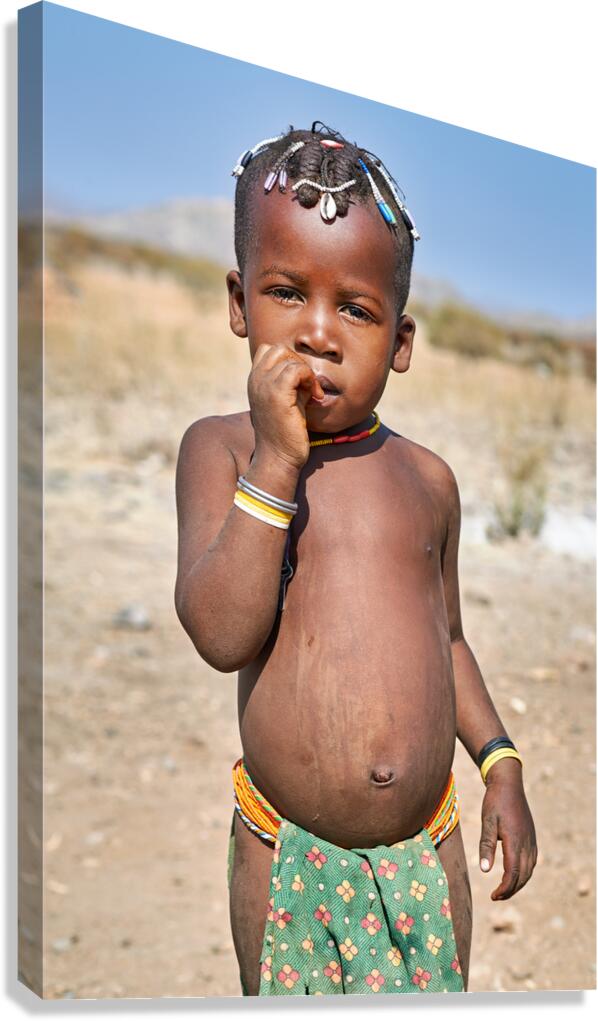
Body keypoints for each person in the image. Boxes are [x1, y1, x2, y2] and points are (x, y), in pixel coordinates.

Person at [174, 122, 537, 996]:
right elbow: (221, 634)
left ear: (400, 343)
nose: (318, 333)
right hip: (284, 852)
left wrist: (500, 761)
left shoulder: (427, 481)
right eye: (286, 292)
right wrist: (277, 460)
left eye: (357, 310)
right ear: (239, 302)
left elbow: (449, 640)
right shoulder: (223, 451)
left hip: (426, 854)